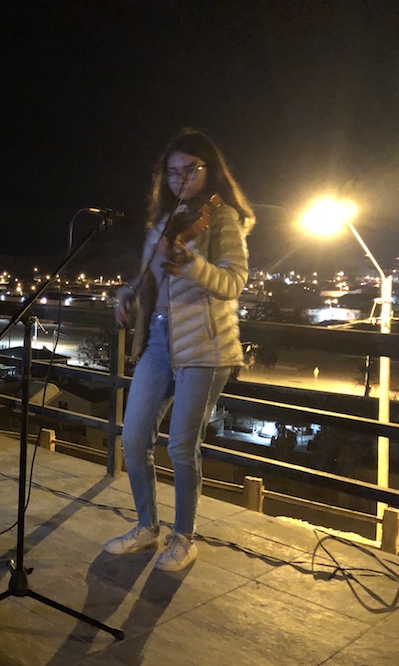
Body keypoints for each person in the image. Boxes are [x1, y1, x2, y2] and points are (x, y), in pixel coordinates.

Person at [104, 129, 254, 571]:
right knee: (134, 439)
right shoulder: (165, 223)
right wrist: (128, 293)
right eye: (172, 172)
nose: (180, 179)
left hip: (206, 347)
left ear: (209, 170)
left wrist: (192, 265)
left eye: (190, 170)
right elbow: (149, 278)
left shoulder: (222, 219)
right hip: (158, 341)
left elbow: (233, 282)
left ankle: (184, 537)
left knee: (182, 448)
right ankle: (146, 526)